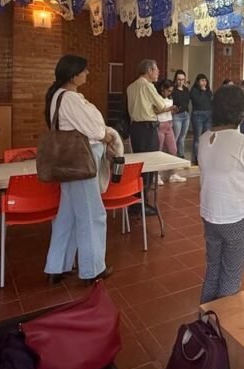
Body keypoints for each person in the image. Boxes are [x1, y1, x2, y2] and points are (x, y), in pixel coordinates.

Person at [44, 55, 118, 284]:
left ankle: (57, 265)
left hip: (69, 161)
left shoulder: (58, 96)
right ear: (73, 75)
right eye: (84, 70)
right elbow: (95, 130)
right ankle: (92, 269)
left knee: (67, 216)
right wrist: (107, 136)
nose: (87, 74)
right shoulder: (70, 99)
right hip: (82, 161)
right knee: (92, 214)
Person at [198, 84, 244, 303]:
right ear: (241, 111)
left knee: (213, 269)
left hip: (210, 214)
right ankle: (222, 321)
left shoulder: (204, 138)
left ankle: (205, 317)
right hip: (238, 216)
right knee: (230, 277)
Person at [126, 59, 176, 211]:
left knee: (138, 165)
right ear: (149, 71)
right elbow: (161, 105)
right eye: (156, 69)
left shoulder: (131, 86)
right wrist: (168, 108)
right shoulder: (148, 86)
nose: (158, 72)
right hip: (147, 128)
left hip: (135, 128)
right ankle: (143, 203)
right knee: (149, 165)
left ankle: (135, 200)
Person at [154, 78, 186, 184]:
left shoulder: (170, 98)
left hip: (169, 124)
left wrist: (174, 110)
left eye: (171, 91)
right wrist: (168, 109)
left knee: (173, 150)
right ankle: (156, 175)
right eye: (168, 90)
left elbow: (168, 111)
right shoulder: (157, 97)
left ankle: (173, 174)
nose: (169, 93)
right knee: (158, 151)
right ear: (162, 89)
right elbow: (155, 110)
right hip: (160, 125)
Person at [189, 73, 213, 164]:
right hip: (198, 115)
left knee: (206, 137)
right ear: (198, 82)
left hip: (208, 114)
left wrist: (205, 91)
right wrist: (202, 91)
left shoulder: (208, 91)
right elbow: (198, 101)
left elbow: (210, 100)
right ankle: (196, 158)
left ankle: (205, 157)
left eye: (205, 80)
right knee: (198, 138)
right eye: (202, 80)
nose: (204, 82)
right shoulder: (194, 90)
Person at [171, 69, 191, 159]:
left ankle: (181, 155)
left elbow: (187, 101)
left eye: (182, 80)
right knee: (175, 137)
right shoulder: (173, 90)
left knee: (182, 137)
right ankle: (173, 155)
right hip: (177, 116)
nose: (181, 82)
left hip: (186, 115)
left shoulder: (186, 89)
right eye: (179, 79)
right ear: (175, 79)